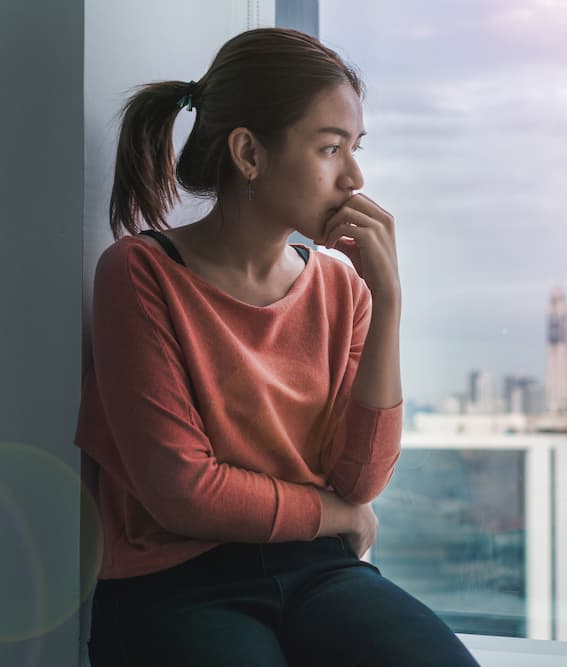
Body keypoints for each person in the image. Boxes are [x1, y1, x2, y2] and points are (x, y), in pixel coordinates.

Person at [74, 27, 482, 667]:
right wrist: (336, 516)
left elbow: (361, 477)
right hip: (175, 587)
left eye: (356, 148)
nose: (354, 176)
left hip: (317, 573)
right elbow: (182, 491)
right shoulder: (138, 273)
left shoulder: (342, 288)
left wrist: (389, 302)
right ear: (248, 154)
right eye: (330, 148)